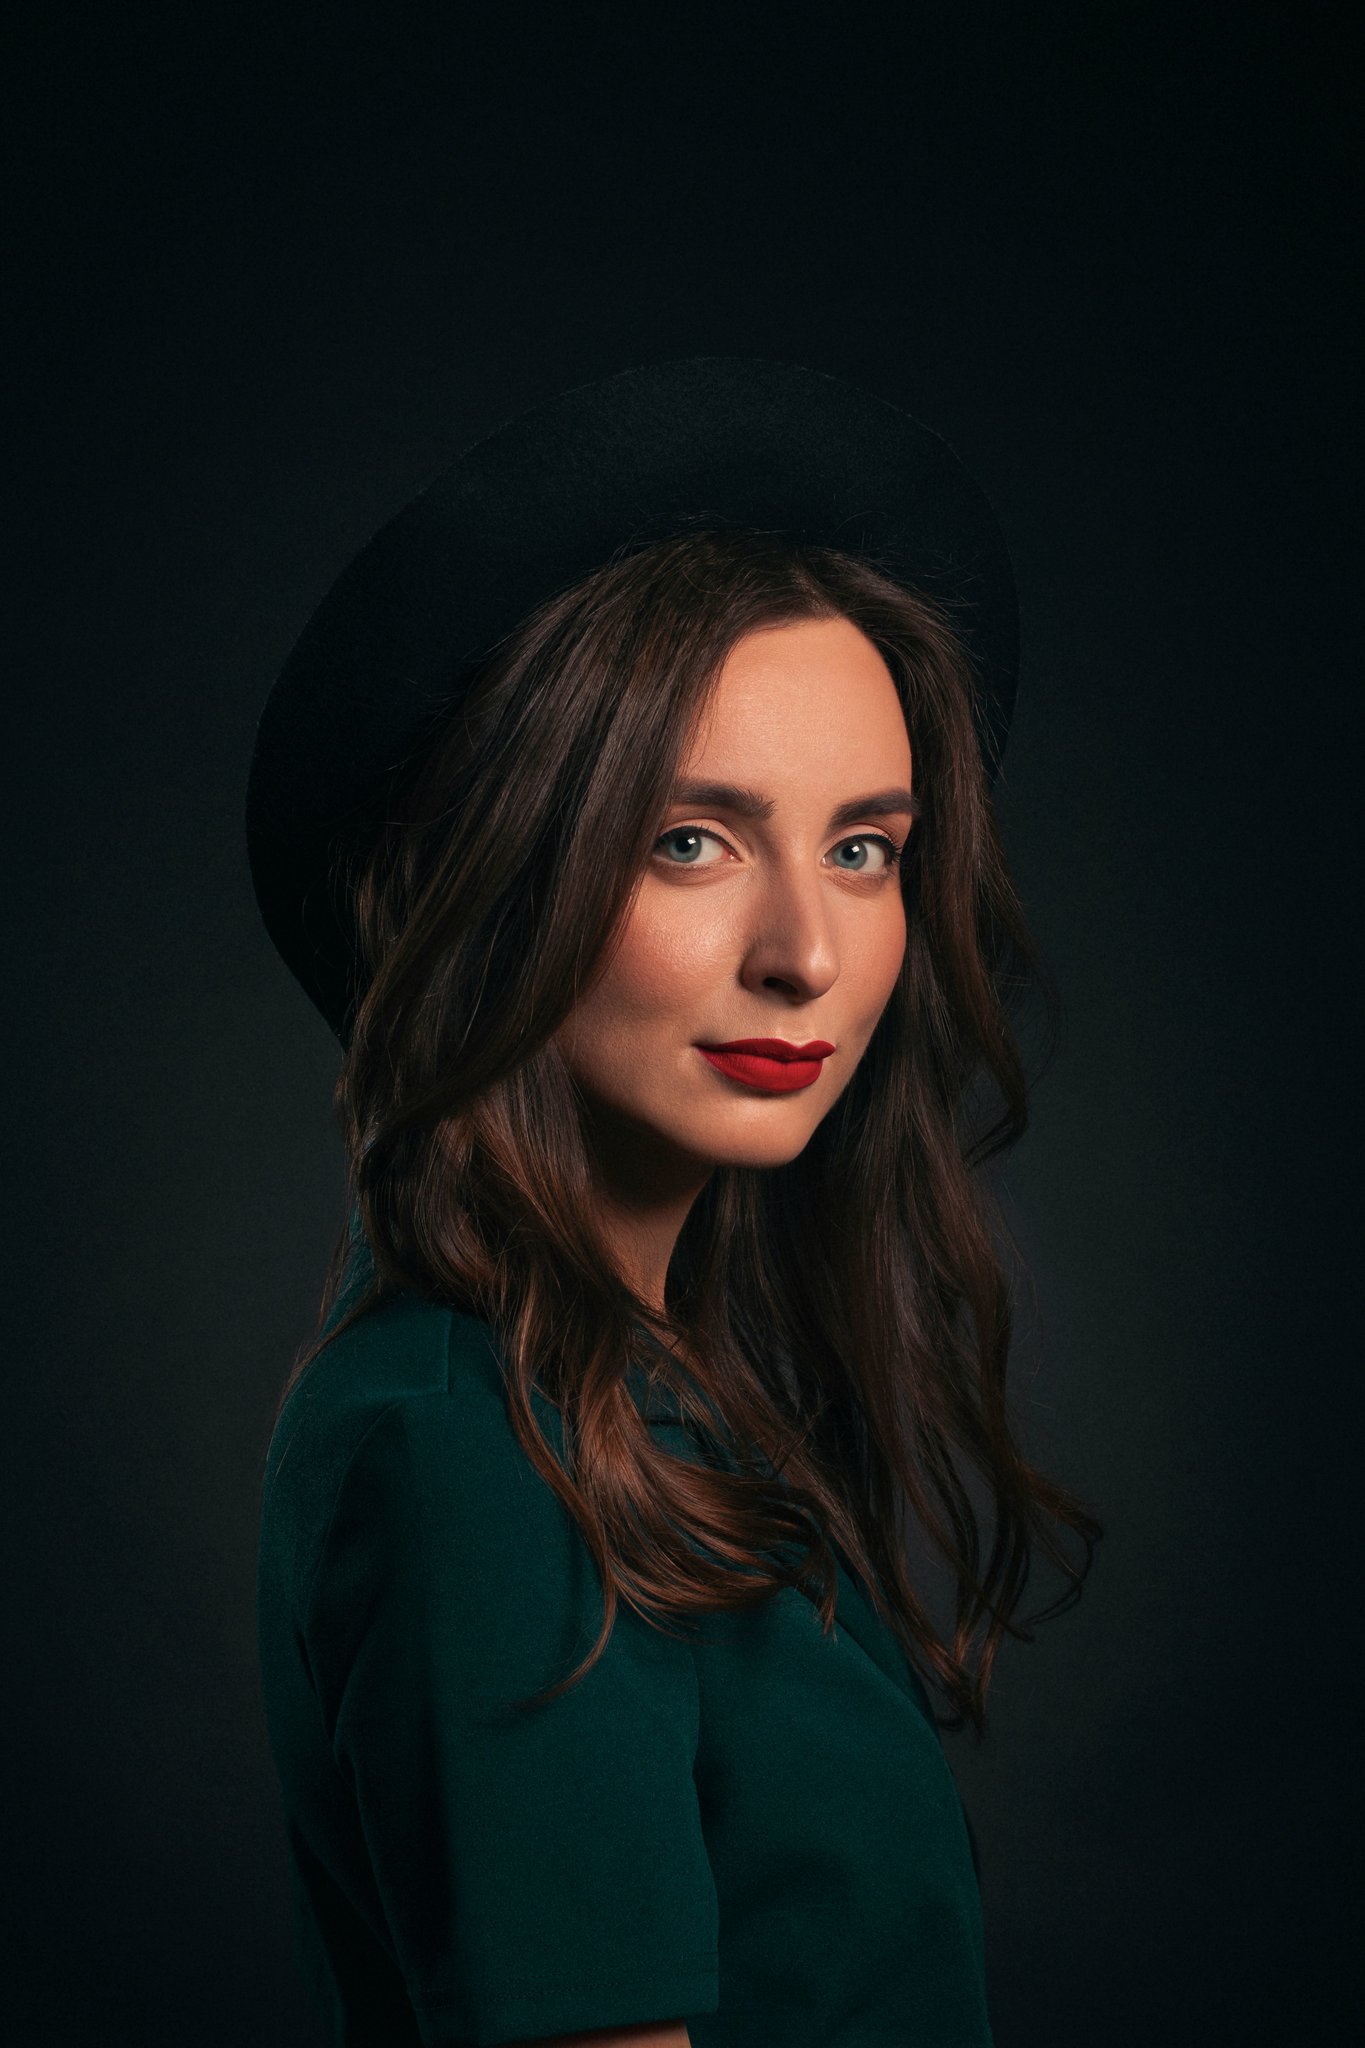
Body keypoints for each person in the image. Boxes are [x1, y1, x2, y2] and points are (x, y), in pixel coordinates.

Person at [247, 356, 1102, 2047]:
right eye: (689, 841)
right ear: (504, 878)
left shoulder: (638, 1395)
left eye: (863, 848)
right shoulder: (480, 1455)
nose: (803, 949)